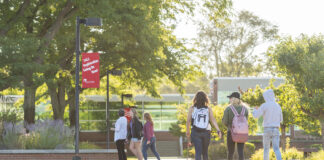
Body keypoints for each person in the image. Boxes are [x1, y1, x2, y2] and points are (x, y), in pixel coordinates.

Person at [186, 91, 222, 160]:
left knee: (198, 152)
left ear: (195, 98)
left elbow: (188, 121)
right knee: (205, 152)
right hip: (206, 132)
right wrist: (218, 130)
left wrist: (188, 132)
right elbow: (213, 120)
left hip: (195, 132)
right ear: (205, 99)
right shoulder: (208, 109)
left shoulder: (192, 108)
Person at [253, 89, 282, 160]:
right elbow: (281, 119)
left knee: (266, 149)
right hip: (276, 129)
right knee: (276, 148)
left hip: (267, 129)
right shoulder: (278, 106)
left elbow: (256, 116)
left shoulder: (264, 105)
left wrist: (255, 109)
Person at [222, 92, 249, 160]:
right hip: (242, 133)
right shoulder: (245, 109)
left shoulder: (228, 109)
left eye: (230, 98)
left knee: (230, 152)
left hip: (231, 132)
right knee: (241, 152)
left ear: (233, 99)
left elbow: (225, 122)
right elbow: (246, 121)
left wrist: (229, 126)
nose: (230, 99)